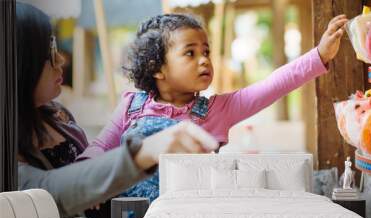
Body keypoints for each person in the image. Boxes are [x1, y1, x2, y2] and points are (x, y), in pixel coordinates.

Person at [79, 13, 348, 207]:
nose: (204, 60)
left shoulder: (217, 110)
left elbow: (272, 86)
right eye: (190, 53)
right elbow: (100, 147)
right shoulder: (131, 105)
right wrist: (85, 181)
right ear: (157, 68)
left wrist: (319, 55)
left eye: (206, 51)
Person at [16, 3, 218, 218]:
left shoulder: (58, 116)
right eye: (51, 52)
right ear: (22, 63)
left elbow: (91, 169)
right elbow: (47, 192)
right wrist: (145, 151)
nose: (62, 60)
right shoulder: (131, 104)